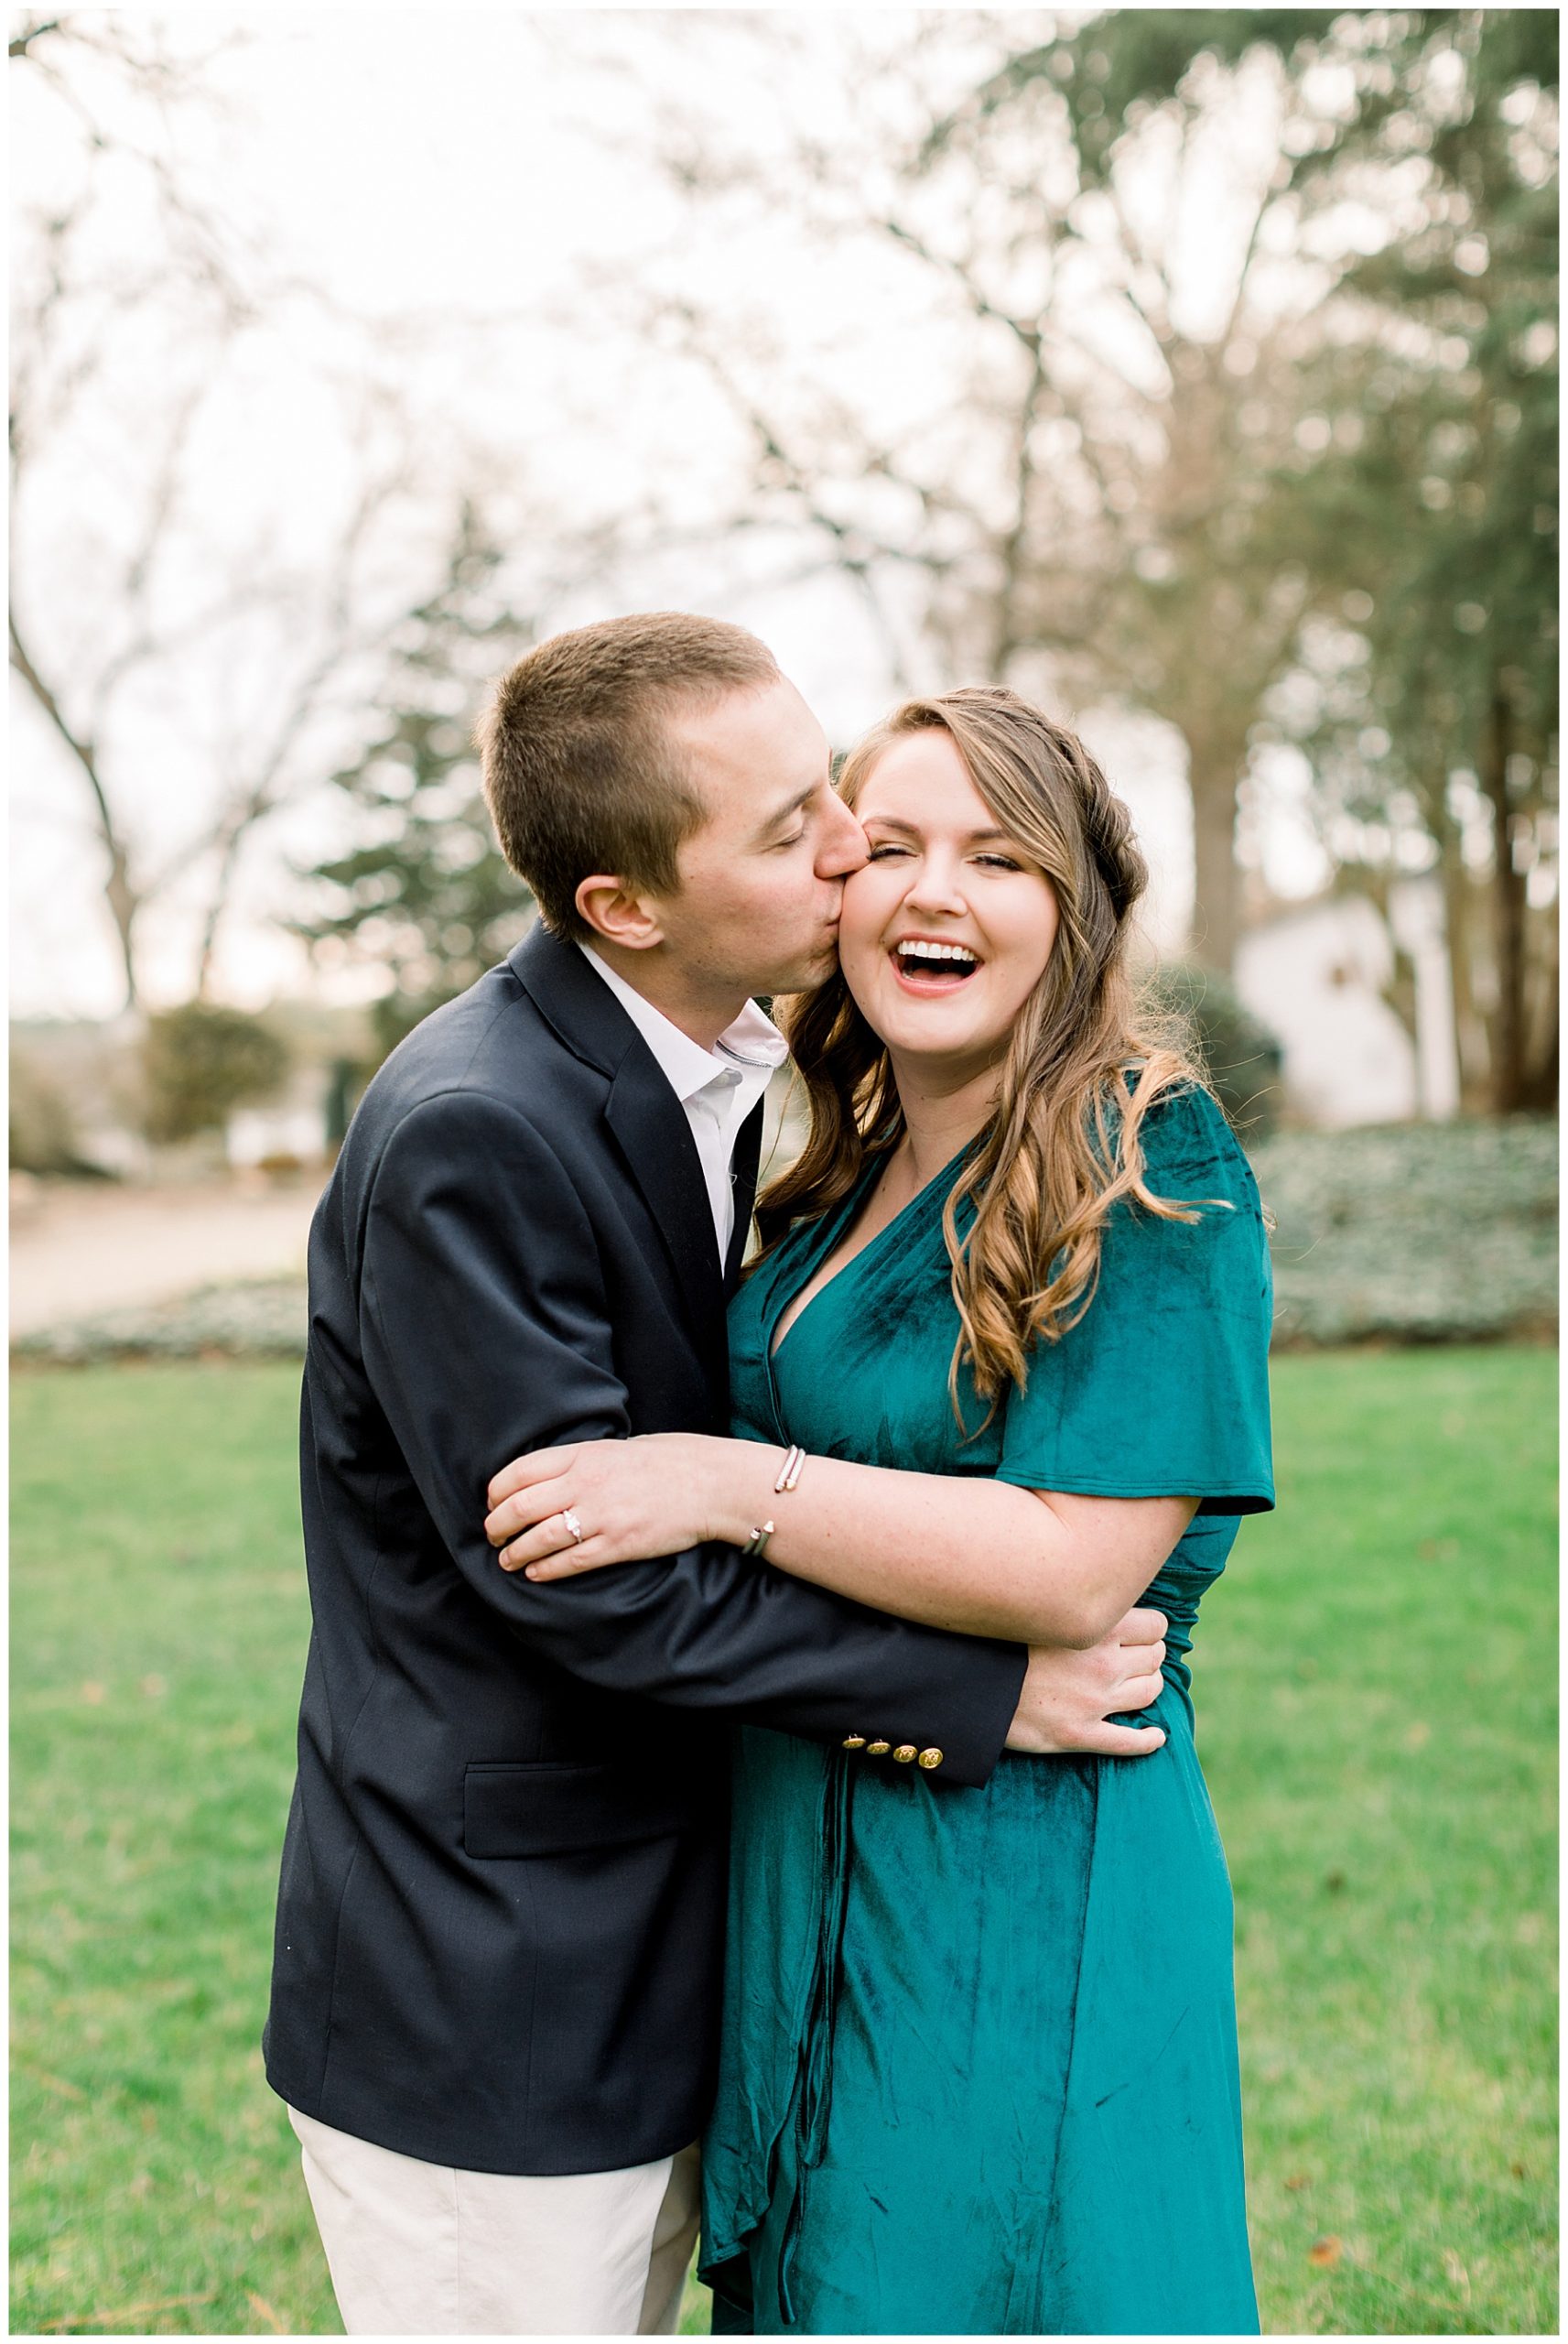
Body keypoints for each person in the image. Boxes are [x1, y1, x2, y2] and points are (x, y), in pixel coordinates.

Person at [263, 617, 1173, 2337]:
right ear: (623, 908)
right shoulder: (480, 1128)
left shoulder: (743, 1074)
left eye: (824, 780)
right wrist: (980, 1687)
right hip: (499, 1996)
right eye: (786, 830)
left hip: (682, 1949)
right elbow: (590, 1583)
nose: (850, 842)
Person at [483, 684, 1277, 2336]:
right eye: (890, 844)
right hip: (795, 1862)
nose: (930, 892)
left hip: (1025, 1874)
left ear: (1073, 909)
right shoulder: (833, 1163)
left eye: (995, 857)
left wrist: (723, 1485)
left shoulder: (1151, 1159)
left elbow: (1075, 1569)